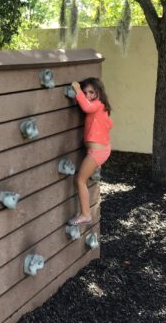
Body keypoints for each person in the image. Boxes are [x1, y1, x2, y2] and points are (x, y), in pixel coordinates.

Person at [68, 77, 113, 225]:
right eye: (86, 92)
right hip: (101, 150)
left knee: (80, 180)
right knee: (82, 179)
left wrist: (78, 90)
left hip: (97, 153)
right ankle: (85, 213)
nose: (88, 96)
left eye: (91, 92)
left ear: (99, 92)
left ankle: (86, 214)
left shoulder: (97, 105)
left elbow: (86, 107)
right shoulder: (102, 107)